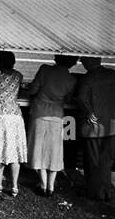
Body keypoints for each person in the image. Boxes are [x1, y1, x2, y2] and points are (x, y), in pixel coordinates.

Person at [26, 55, 77, 196]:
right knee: (55, 150)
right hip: (57, 115)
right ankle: (51, 186)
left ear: (56, 58)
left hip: (39, 112)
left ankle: (42, 184)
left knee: (38, 148)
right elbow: (68, 98)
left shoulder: (45, 69)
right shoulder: (71, 79)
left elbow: (32, 89)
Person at [0, 50, 27, 197]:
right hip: (15, 114)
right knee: (14, 150)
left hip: (1, 113)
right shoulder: (18, 76)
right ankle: (14, 186)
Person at [76, 56, 115, 201]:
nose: (81, 63)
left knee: (93, 161)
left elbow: (81, 97)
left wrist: (89, 111)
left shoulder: (87, 78)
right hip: (112, 125)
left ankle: (95, 192)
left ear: (88, 62)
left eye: (83, 60)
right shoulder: (114, 75)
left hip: (93, 126)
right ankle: (106, 191)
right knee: (107, 160)